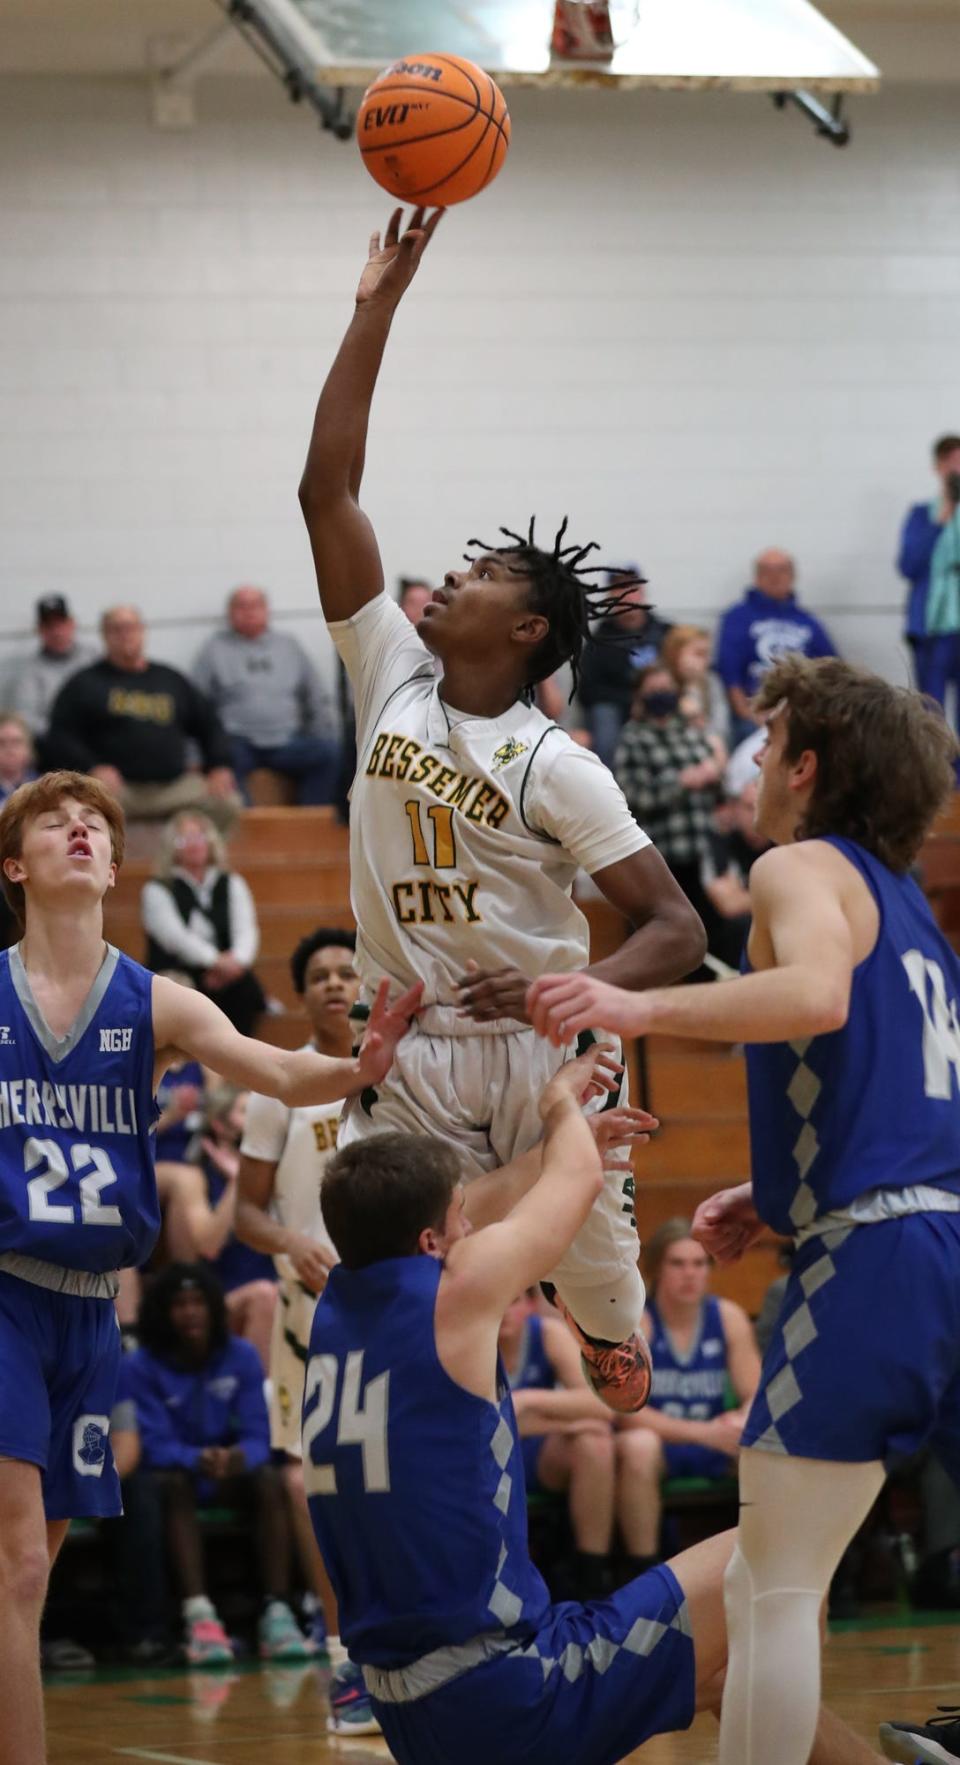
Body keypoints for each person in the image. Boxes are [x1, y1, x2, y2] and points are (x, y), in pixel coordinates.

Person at [297, 205, 707, 1414]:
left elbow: (677, 926)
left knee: (612, 1331)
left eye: (476, 578)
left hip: (539, 1051)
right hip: (409, 1042)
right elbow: (328, 487)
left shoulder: (558, 764)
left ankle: (601, 1323)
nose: (448, 577)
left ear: (526, 631)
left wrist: (565, 993)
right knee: (413, 1306)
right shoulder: (390, 674)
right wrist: (376, 306)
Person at [527, 653, 960, 1765]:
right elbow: (892, 1090)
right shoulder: (910, 908)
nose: (756, 761)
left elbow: (813, 994)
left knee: (773, 1584)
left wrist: (634, 1000)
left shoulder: (801, 866)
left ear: (808, 768)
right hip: (936, 1235)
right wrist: (781, 1196)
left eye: (769, 744)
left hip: (877, 1262)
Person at [0, 768, 420, 1765]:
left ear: (112, 861)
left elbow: (276, 1068)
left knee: (30, 1574)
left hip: (93, 1315)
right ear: (14, 865)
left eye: (97, 821)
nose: (83, 831)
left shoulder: (154, 1003)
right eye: (55, 823)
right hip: (7, 1294)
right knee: (17, 1565)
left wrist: (360, 1066)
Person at [303, 1046, 886, 1765]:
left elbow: (477, 1202)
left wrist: (544, 1153)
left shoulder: (335, 1298)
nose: (471, 1230)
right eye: (458, 1224)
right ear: (431, 1242)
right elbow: (576, 1185)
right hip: (505, 1689)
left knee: (724, 1666)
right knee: (783, 1556)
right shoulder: (456, 1292)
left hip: (408, 1702)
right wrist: (558, 1106)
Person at [234, 927, 361, 1655]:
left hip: (396, 1301)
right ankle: (342, 1648)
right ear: (304, 993)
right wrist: (291, 1240)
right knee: (309, 1484)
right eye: (319, 975)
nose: (336, 984)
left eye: (347, 971)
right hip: (309, 1310)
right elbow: (244, 1214)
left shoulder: (401, 1071)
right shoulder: (278, 1083)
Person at [125, 1261, 312, 1665]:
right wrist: (196, 1458)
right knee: (170, 1482)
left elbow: (262, 1434)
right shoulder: (141, 1365)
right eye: (179, 1304)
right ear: (162, 1311)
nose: (190, 1311)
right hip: (178, 1476)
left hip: (230, 1472)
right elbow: (151, 1443)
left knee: (269, 1478)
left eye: (198, 1302)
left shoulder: (241, 1355)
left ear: (214, 1307)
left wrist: (239, 1456)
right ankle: (199, 1616)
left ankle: (277, 1611)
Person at [502, 1290, 672, 1599]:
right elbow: (480, 1418)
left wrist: (527, 1404)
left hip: (538, 1452)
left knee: (595, 1441)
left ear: (529, 1305)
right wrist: (558, 1416)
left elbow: (604, 1406)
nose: (503, 1312)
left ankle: (593, 1579)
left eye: (512, 1302)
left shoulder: (547, 1333)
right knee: (594, 1434)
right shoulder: (473, 1338)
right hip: (490, 1457)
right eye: (496, 1302)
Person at [622, 1221, 760, 1562]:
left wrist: (740, 1420)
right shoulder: (639, 1323)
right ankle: (641, 1570)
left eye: (699, 1264)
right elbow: (624, 1412)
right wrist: (703, 1433)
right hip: (663, 1443)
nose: (690, 1274)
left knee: (763, 1444)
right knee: (637, 1447)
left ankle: (769, 1563)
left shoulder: (727, 1317)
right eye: (678, 1263)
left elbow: (757, 1395)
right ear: (656, 1268)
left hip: (717, 1441)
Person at [45, 605, 242, 831]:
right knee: (74, 809)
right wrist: (91, 768)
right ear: (104, 636)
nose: (125, 634)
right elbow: (60, 736)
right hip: (117, 791)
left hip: (174, 788)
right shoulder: (84, 683)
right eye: (116, 629)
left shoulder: (171, 680)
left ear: (142, 631)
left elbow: (210, 725)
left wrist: (219, 765)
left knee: (227, 802)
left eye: (131, 627)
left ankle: (193, 864)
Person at [193, 585, 342, 806]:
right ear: (230, 613)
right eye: (241, 606)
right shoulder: (214, 649)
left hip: (288, 741)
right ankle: (247, 834)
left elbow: (316, 696)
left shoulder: (289, 645)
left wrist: (321, 733)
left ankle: (311, 825)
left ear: (266, 610)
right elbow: (197, 706)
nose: (249, 612)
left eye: (255, 605)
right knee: (222, 764)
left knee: (330, 754)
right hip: (237, 742)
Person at [141, 811, 264, 1035]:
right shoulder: (158, 889)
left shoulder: (232, 883)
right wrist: (215, 961)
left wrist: (235, 963)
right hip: (179, 969)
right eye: (184, 839)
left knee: (245, 990)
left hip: (228, 972)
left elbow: (246, 931)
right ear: (172, 848)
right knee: (181, 993)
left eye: (199, 837)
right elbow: (175, 938)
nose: (194, 844)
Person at [714, 549, 837, 745]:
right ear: (756, 577)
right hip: (754, 713)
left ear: (793, 576)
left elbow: (832, 671)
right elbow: (730, 674)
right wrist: (749, 714)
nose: (775, 577)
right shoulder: (737, 618)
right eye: (767, 571)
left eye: (781, 570)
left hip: (801, 712)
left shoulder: (808, 622)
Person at [576, 565, 673, 767]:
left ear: (643, 591)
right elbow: (588, 691)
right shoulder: (597, 641)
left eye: (633, 587)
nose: (628, 595)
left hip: (666, 701)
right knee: (603, 717)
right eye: (620, 588)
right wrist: (633, 700)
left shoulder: (667, 633)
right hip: (619, 709)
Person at [897, 432, 960, 720]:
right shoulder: (922, 514)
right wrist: (943, 516)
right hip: (932, 628)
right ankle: (935, 766)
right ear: (938, 468)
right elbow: (909, 566)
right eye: (951, 464)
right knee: (930, 713)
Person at [9, 595, 97, 744]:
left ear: (72, 624)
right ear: (39, 630)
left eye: (61, 624)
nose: (57, 632)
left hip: (98, 734)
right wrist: (64, 733)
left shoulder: (94, 657)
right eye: (49, 626)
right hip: (55, 742)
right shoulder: (29, 671)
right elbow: (26, 719)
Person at [661, 623, 729, 748]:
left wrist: (693, 686)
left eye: (707, 654)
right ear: (676, 654)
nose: (707, 661)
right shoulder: (660, 681)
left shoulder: (711, 681)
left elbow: (721, 728)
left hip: (707, 749)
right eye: (699, 654)